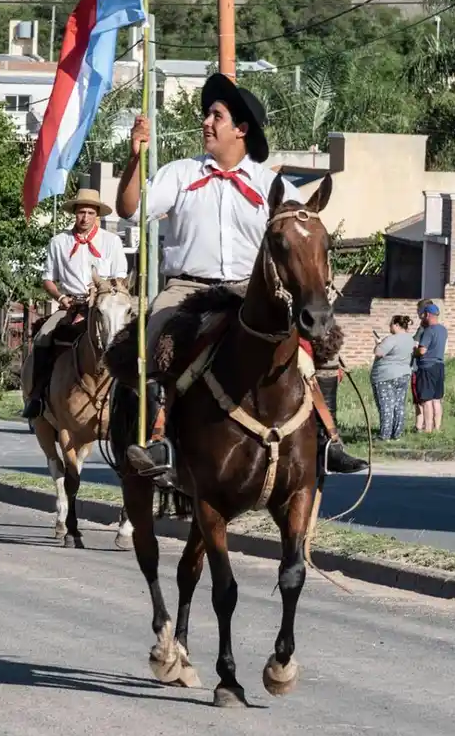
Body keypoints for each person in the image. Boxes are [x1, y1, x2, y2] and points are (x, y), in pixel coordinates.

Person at [115, 72, 367, 478]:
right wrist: (135, 157)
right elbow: (128, 208)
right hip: (187, 288)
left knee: (323, 344)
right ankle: (159, 443)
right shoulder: (180, 173)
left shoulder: (274, 185)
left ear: (241, 129)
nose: (206, 122)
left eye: (216, 116)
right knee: (156, 332)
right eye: (207, 115)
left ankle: (326, 441)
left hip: (250, 292)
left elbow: (301, 236)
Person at [23, 187, 129, 418]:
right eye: (81, 212)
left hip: (102, 304)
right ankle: (37, 395)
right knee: (44, 337)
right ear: (75, 213)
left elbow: (120, 276)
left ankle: (132, 396)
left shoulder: (111, 241)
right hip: (72, 305)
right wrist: (61, 297)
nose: (85, 217)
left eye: (90, 213)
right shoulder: (59, 241)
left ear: (97, 215)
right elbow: (48, 279)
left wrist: (101, 289)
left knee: (126, 338)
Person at [371, 315, 415, 441]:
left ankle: (384, 435)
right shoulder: (410, 339)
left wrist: (377, 344)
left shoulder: (391, 339)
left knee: (386, 406)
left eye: (391, 324)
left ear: (396, 325)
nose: (390, 327)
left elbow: (378, 352)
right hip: (404, 374)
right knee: (399, 405)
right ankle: (397, 434)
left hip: (386, 376)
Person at [413, 302, 448, 433]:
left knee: (427, 400)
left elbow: (422, 351)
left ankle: (428, 429)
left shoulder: (429, 331)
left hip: (427, 366)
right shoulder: (443, 330)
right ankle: (437, 427)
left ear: (427, 314)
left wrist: (414, 351)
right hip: (439, 365)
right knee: (437, 399)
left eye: (424, 315)